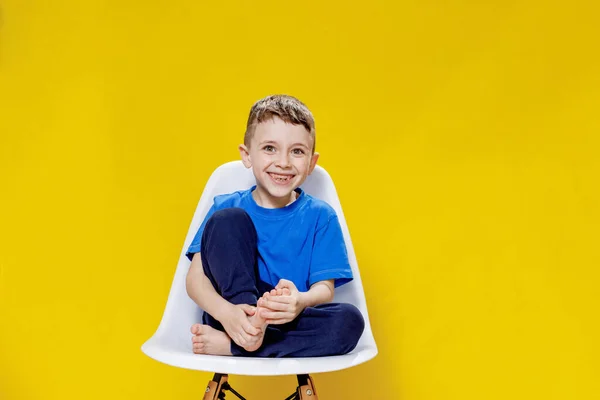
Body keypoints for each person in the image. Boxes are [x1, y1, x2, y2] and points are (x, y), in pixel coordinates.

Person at [185, 94, 364, 357]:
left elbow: (324, 289)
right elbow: (195, 281)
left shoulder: (321, 216)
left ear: (311, 163)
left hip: (285, 318)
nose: (283, 162)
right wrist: (229, 314)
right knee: (228, 220)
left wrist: (299, 301)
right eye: (270, 148)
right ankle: (245, 331)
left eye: (297, 151)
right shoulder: (225, 206)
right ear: (247, 155)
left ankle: (236, 346)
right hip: (231, 315)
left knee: (349, 321)